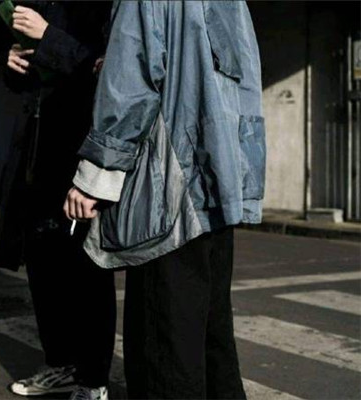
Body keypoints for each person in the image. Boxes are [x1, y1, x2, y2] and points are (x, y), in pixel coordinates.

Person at [65, 1, 266, 399]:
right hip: (218, 180)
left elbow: (131, 80)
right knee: (211, 339)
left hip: (171, 186)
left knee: (164, 345)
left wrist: (97, 174)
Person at [0, 2, 114, 399]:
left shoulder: (100, 7)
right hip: (36, 154)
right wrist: (14, 63)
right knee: (42, 264)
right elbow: (32, 85)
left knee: (86, 269)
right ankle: (61, 363)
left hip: (79, 153)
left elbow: (107, 71)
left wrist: (48, 36)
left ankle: (93, 380)